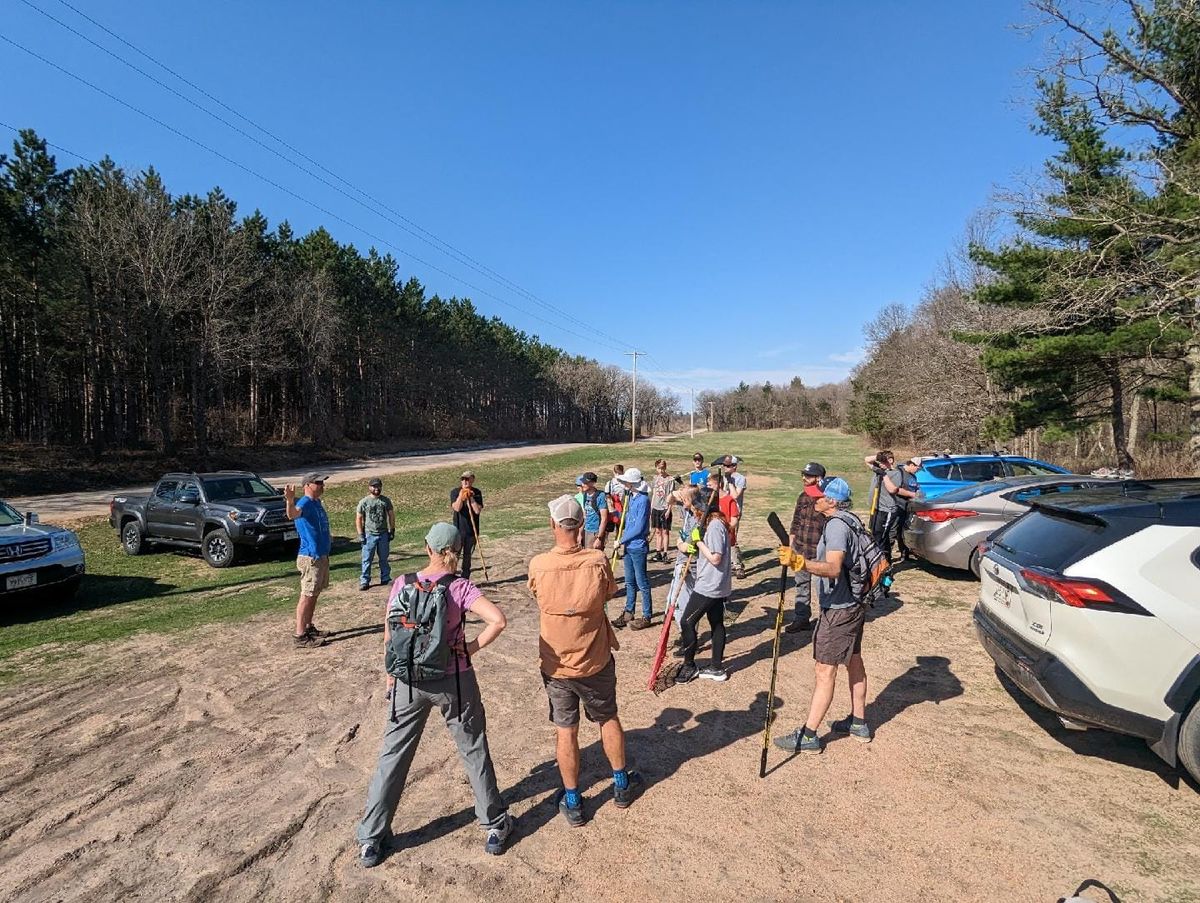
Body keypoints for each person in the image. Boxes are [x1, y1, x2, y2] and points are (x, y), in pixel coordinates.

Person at [356, 522, 512, 866]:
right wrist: (468, 649)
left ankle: (371, 838)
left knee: (393, 755)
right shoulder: (460, 587)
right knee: (473, 749)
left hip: (407, 680)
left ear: (428, 548)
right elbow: (498, 620)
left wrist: (390, 676)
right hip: (454, 680)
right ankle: (493, 824)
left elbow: (390, 630)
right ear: (456, 551)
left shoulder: (402, 583)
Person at [527, 495, 643, 826]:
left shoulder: (539, 564)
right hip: (595, 658)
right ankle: (621, 785)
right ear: (581, 526)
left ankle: (574, 800)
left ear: (553, 525)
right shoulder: (596, 561)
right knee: (608, 718)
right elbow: (610, 593)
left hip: (557, 664)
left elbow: (536, 594)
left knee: (567, 730)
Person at [774, 477, 872, 755]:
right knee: (854, 661)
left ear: (831, 501)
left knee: (824, 671)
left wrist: (800, 562)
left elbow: (832, 568)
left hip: (841, 609)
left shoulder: (838, 526)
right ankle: (859, 722)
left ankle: (809, 736)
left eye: (819, 496)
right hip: (853, 604)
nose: (813, 499)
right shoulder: (848, 519)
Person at [675, 480, 733, 683]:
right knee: (716, 623)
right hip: (713, 582)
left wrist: (698, 542)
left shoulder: (716, 525)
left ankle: (689, 665)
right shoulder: (712, 522)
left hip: (710, 584)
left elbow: (716, 557)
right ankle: (717, 668)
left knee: (687, 621)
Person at [284, 472, 332, 649]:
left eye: (322, 483)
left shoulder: (317, 503)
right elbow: (292, 514)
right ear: (308, 485)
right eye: (318, 483)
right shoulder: (303, 502)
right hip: (310, 557)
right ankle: (300, 635)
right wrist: (289, 500)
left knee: (314, 594)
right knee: (307, 595)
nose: (322, 486)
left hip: (321, 555)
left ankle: (308, 627)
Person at [785, 461, 826, 634]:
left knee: (822, 589)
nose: (804, 478)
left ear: (818, 478)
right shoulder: (802, 496)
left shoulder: (826, 499)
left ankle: (826, 623)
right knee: (801, 585)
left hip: (819, 552)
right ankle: (802, 619)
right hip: (800, 548)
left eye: (808, 476)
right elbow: (796, 522)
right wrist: (791, 544)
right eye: (803, 474)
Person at [610, 467, 652, 630]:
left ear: (633, 483)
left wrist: (621, 540)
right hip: (628, 546)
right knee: (629, 582)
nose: (624, 483)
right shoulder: (630, 497)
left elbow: (639, 527)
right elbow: (628, 522)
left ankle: (647, 615)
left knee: (642, 582)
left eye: (626, 481)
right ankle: (629, 611)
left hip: (637, 546)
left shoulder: (642, 500)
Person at [865, 452, 918, 561]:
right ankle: (877, 560)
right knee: (874, 534)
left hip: (887, 509)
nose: (882, 463)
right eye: (881, 461)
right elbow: (866, 460)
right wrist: (878, 457)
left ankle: (885, 562)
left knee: (883, 537)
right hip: (876, 507)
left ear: (891, 461)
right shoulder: (878, 468)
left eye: (885, 461)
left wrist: (884, 475)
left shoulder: (896, 473)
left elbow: (893, 490)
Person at [356, 477, 396, 590]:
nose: (376, 489)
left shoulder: (385, 501)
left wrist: (392, 530)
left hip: (383, 534)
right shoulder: (364, 502)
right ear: (369, 487)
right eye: (374, 486)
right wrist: (360, 534)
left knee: (384, 558)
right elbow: (358, 518)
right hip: (369, 535)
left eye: (378, 486)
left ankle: (385, 578)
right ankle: (364, 581)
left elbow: (391, 515)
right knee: (367, 559)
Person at [450, 471, 484, 579]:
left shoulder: (477, 492)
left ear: (472, 479)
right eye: (463, 479)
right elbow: (456, 508)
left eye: (467, 479)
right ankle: (451, 578)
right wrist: (461, 496)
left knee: (467, 557)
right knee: (454, 557)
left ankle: (465, 579)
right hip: (458, 531)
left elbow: (477, 511)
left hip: (471, 531)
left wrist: (471, 498)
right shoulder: (455, 492)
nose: (464, 481)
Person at [718, 455, 747, 578]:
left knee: (732, 539)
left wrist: (730, 482)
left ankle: (738, 566)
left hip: (734, 512)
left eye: (728, 465)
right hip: (722, 511)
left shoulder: (740, 478)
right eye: (724, 465)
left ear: (734, 466)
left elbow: (735, 495)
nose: (725, 467)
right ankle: (730, 563)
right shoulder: (723, 477)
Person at [573, 472, 610, 550]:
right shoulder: (585, 495)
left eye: (585, 483)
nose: (582, 484)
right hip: (587, 530)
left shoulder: (600, 496)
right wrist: (580, 533)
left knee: (594, 558)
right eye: (582, 482)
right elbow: (585, 516)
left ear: (592, 483)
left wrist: (599, 538)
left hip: (595, 532)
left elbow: (604, 519)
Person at [649, 459, 676, 562]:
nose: (661, 470)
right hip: (656, 507)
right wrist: (651, 508)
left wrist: (669, 509)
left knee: (665, 531)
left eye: (663, 468)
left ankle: (665, 553)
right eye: (659, 468)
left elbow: (672, 496)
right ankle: (658, 552)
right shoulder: (655, 479)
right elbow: (654, 493)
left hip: (665, 508)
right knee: (657, 531)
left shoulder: (670, 479)